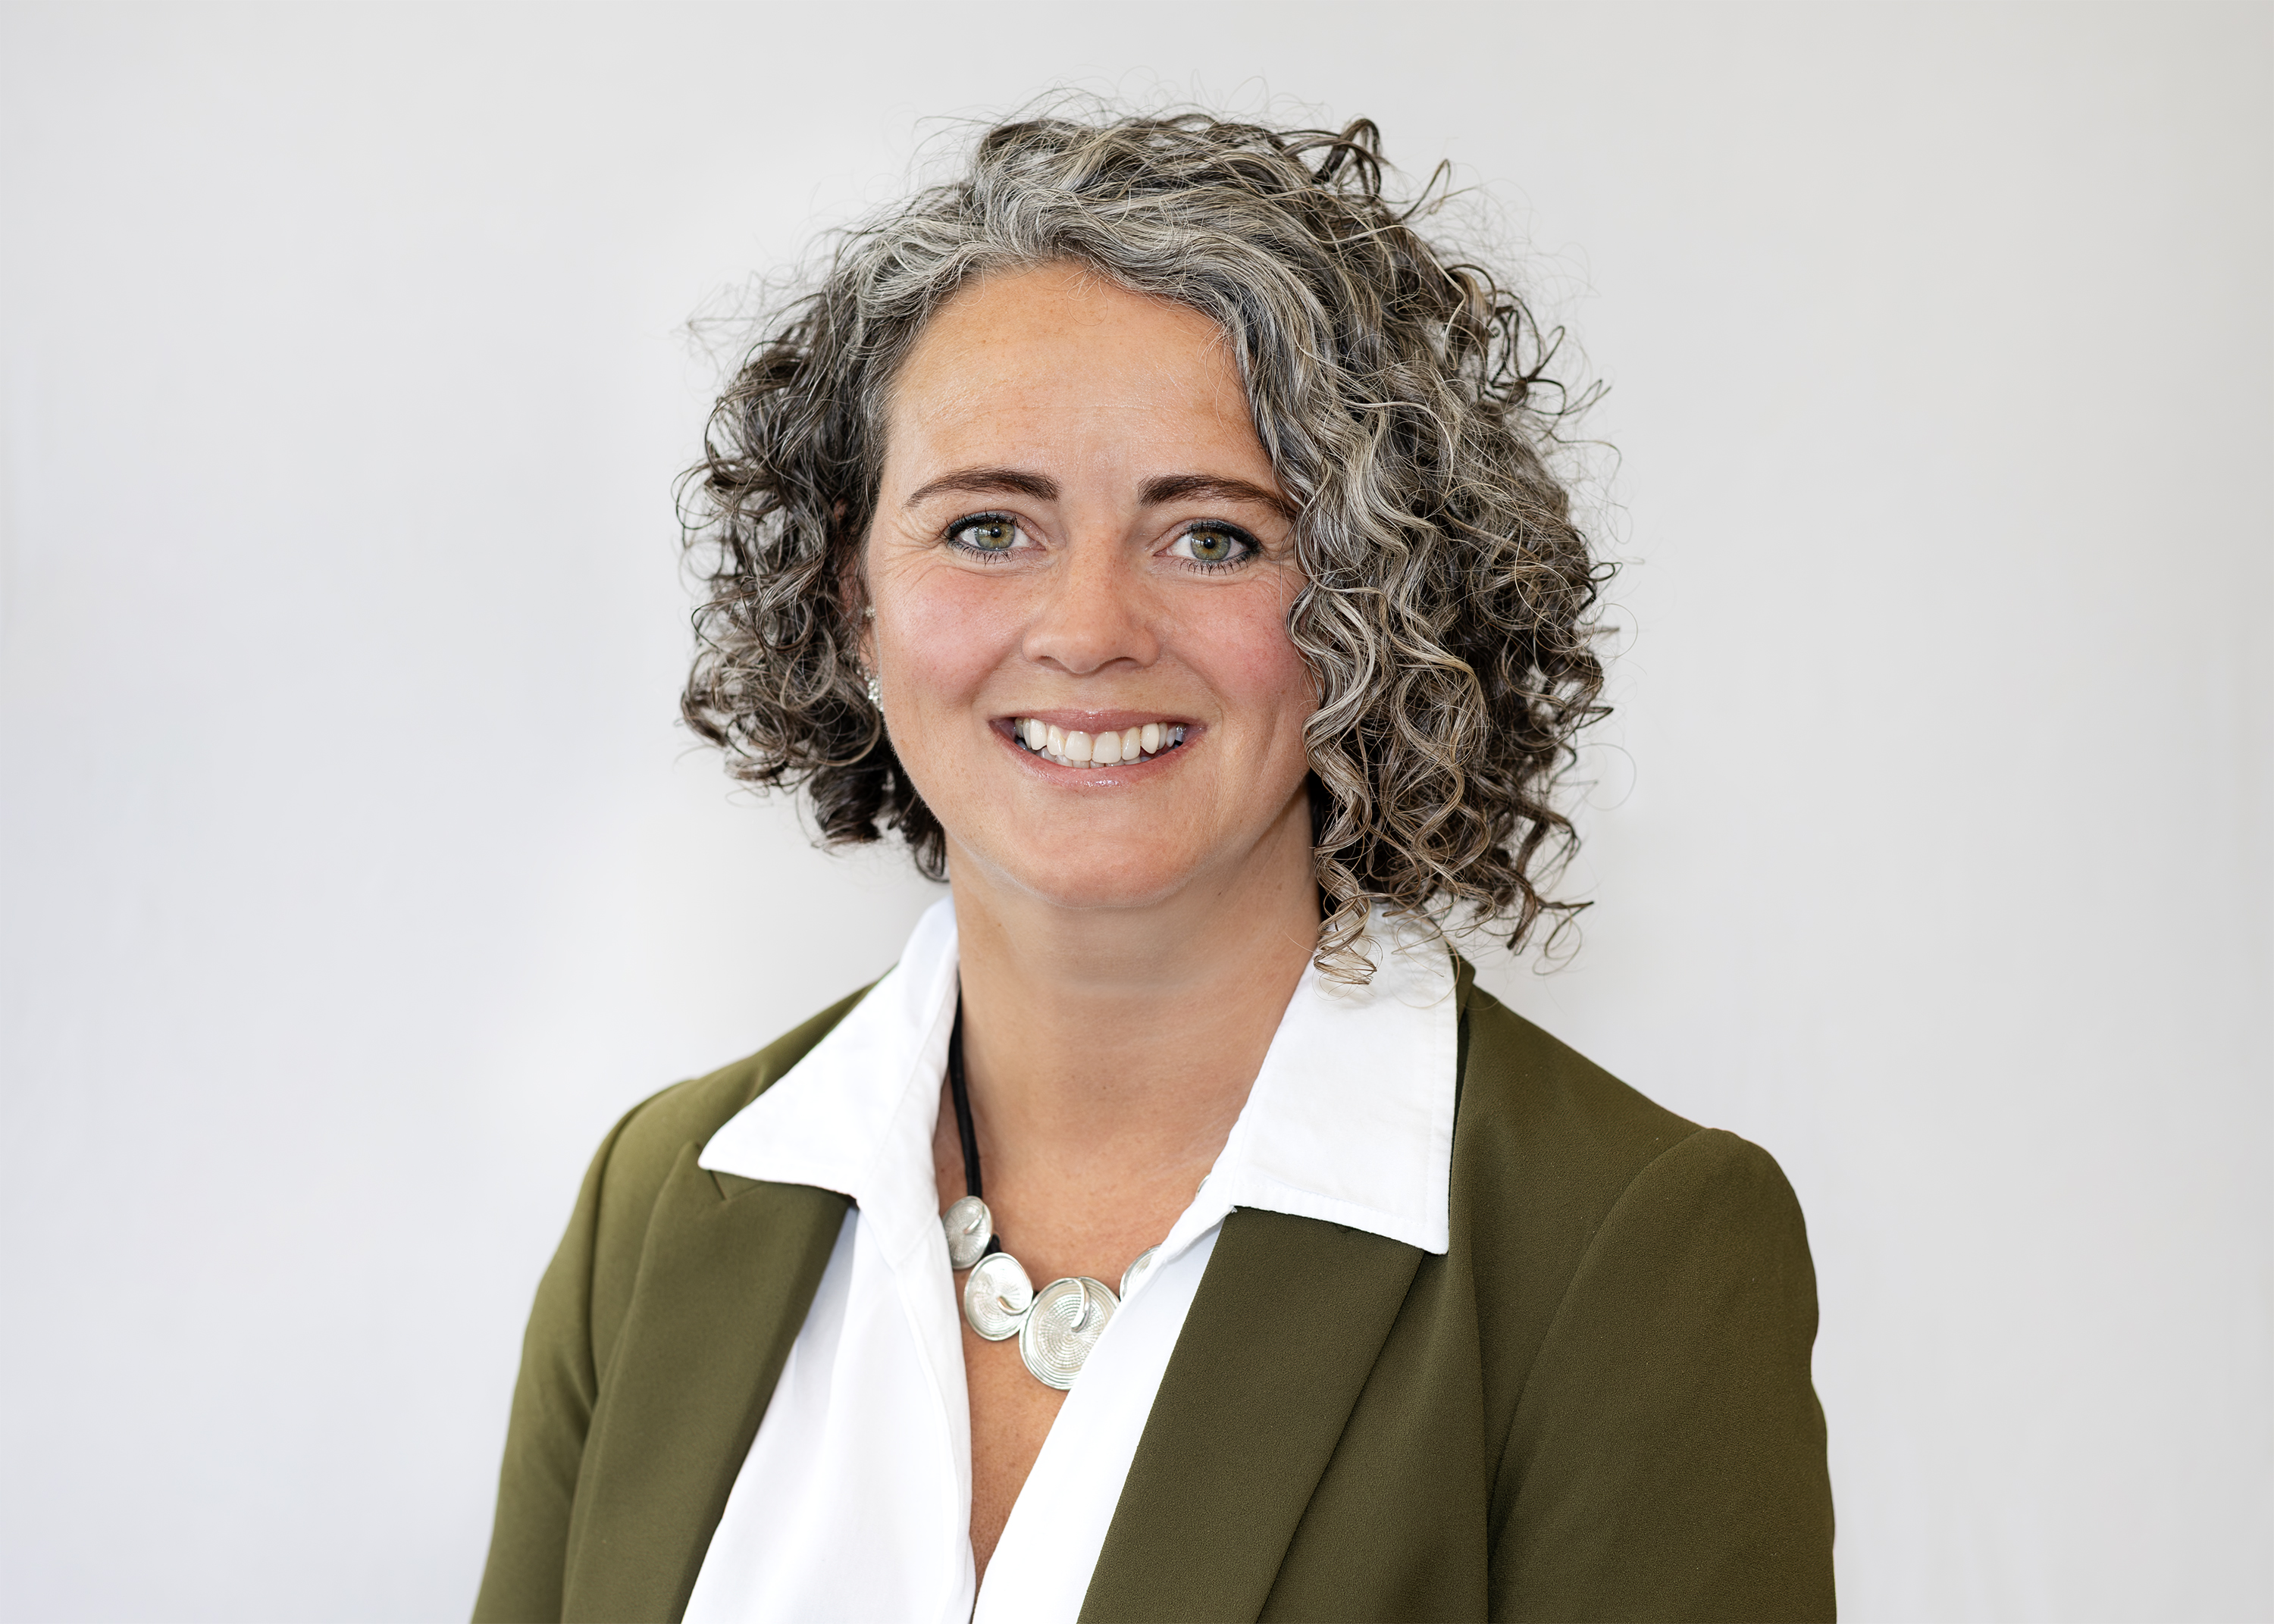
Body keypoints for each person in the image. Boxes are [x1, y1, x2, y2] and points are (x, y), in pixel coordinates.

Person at [472, 108, 1834, 1624]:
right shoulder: (662, 1203)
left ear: (1373, 602)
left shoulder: (1624, 1252)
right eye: (988, 527)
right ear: (851, 598)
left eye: (1213, 539)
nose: (1089, 630)